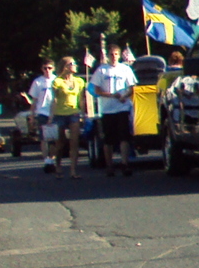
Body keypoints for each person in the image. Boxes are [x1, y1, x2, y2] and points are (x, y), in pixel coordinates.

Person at [89, 44, 139, 177]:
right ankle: (109, 165)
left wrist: (124, 96)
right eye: (111, 54)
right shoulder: (102, 70)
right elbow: (96, 90)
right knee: (108, 139)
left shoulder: (125, 69)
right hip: (107, 109)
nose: (113, 57)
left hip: (122, 107)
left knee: (124, 137)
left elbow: (132, 87)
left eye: (116, 54)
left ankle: (124, 163)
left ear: (119, 55)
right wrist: (111, 95)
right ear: (108, 56)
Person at [50, 57, 87, 178]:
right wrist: (51, 116)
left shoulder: (79, 81)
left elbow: (81, 99)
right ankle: (58, 166)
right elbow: (54, 100)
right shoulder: (57, 82)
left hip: (74, 113)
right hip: (60, 114)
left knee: (74, 142)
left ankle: (73, 171)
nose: (75, 65)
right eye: (72, 64)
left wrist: (83, 114)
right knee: (60, 143)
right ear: (65, 67)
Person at [26, 60, 57, 173]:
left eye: (49, 68)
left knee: (54, 138)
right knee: (44, 138)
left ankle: (52, 159)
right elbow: (34, 100)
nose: (47, 70)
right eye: (45, 68)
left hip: (55, 112)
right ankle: (46, 160)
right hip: (42, 112)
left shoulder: (57, 80)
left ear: (53, 69)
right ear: (42, 69)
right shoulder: (38, 82)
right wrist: (32, 115)